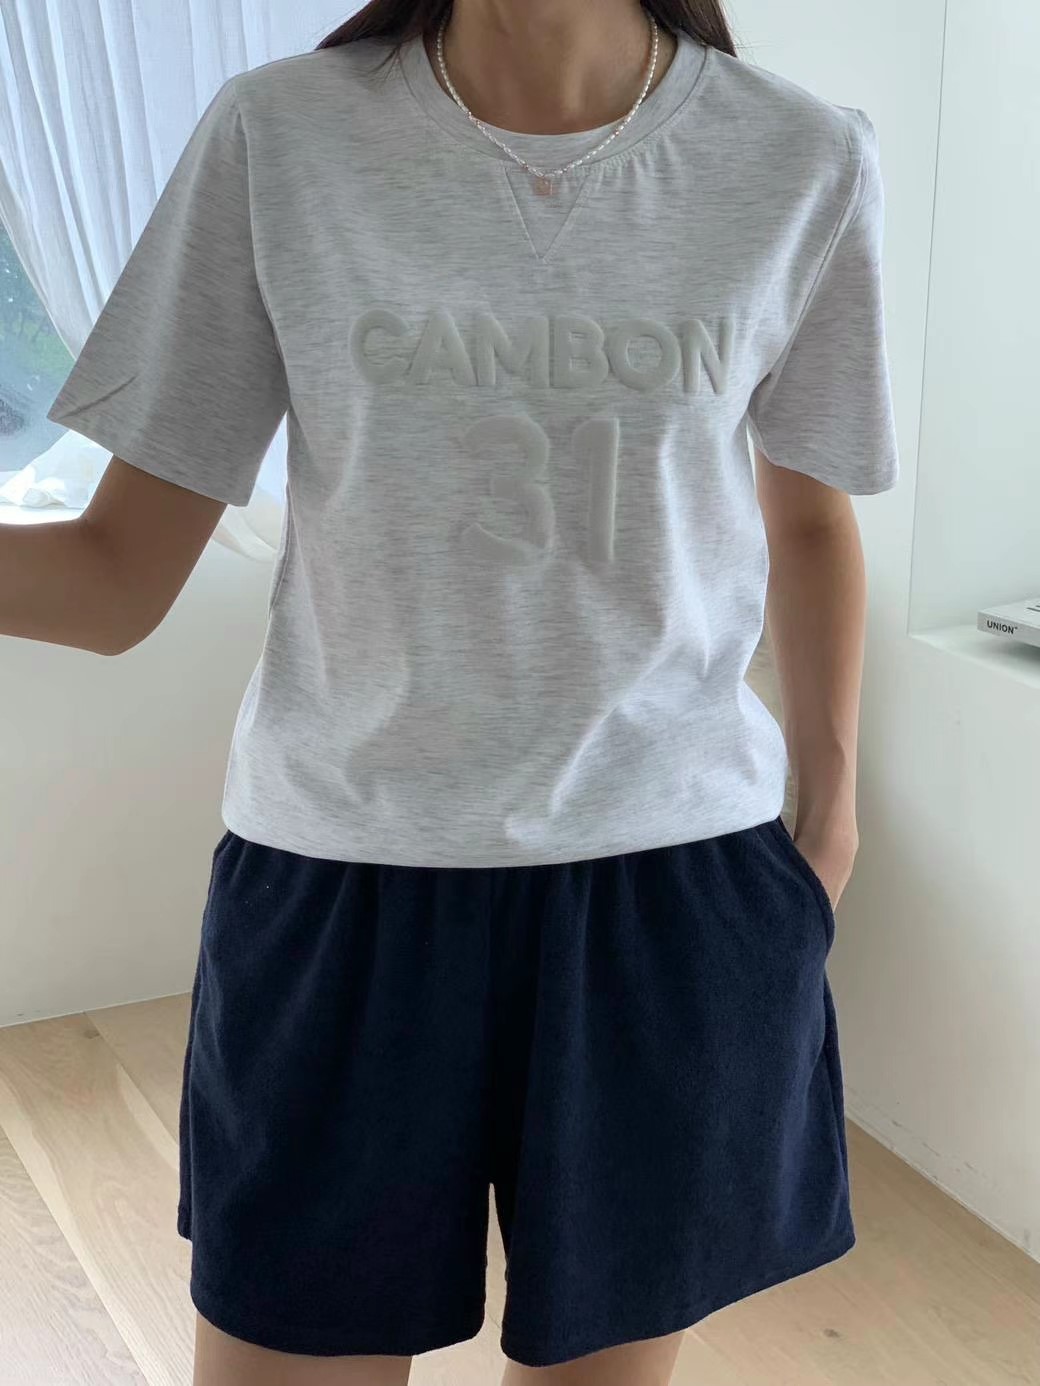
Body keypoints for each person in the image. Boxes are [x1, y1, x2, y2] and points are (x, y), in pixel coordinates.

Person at [0, 0, 899, 1382]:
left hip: (667, 895)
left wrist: (827, 820)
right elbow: (117, 576)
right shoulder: (280, 138)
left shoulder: (799, 157)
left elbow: (811, 520)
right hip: (339, 882)